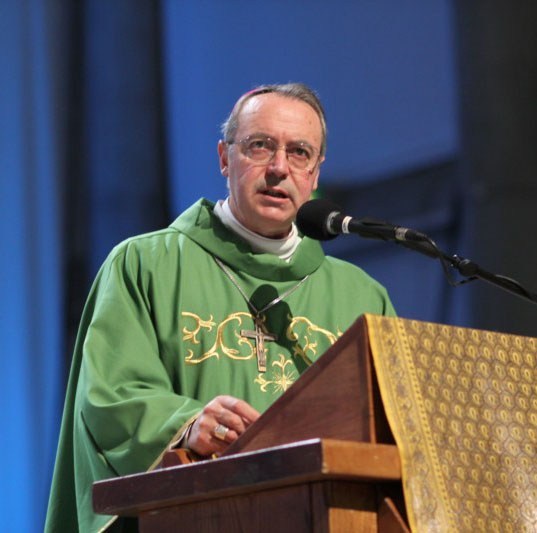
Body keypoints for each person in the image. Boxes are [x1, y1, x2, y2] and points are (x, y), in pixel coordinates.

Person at [45, 82, 396, 532]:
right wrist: (185, 425)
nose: (279, 168)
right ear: (224, 158)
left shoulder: (363, 298)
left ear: (315, 172)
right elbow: (109, 398)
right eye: (259, 146)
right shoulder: (145, 265)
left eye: (299, 152)